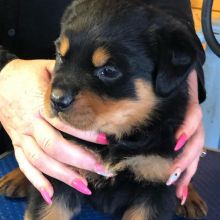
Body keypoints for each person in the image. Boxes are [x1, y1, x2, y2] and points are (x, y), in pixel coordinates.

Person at [0, 0, 206, 205]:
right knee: (56, 158)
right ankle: (29, 167)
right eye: (61, 55)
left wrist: (180, 75)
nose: (59, 96)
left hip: (147, 95)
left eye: (108, 71)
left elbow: (171, 11)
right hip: (24, 115)